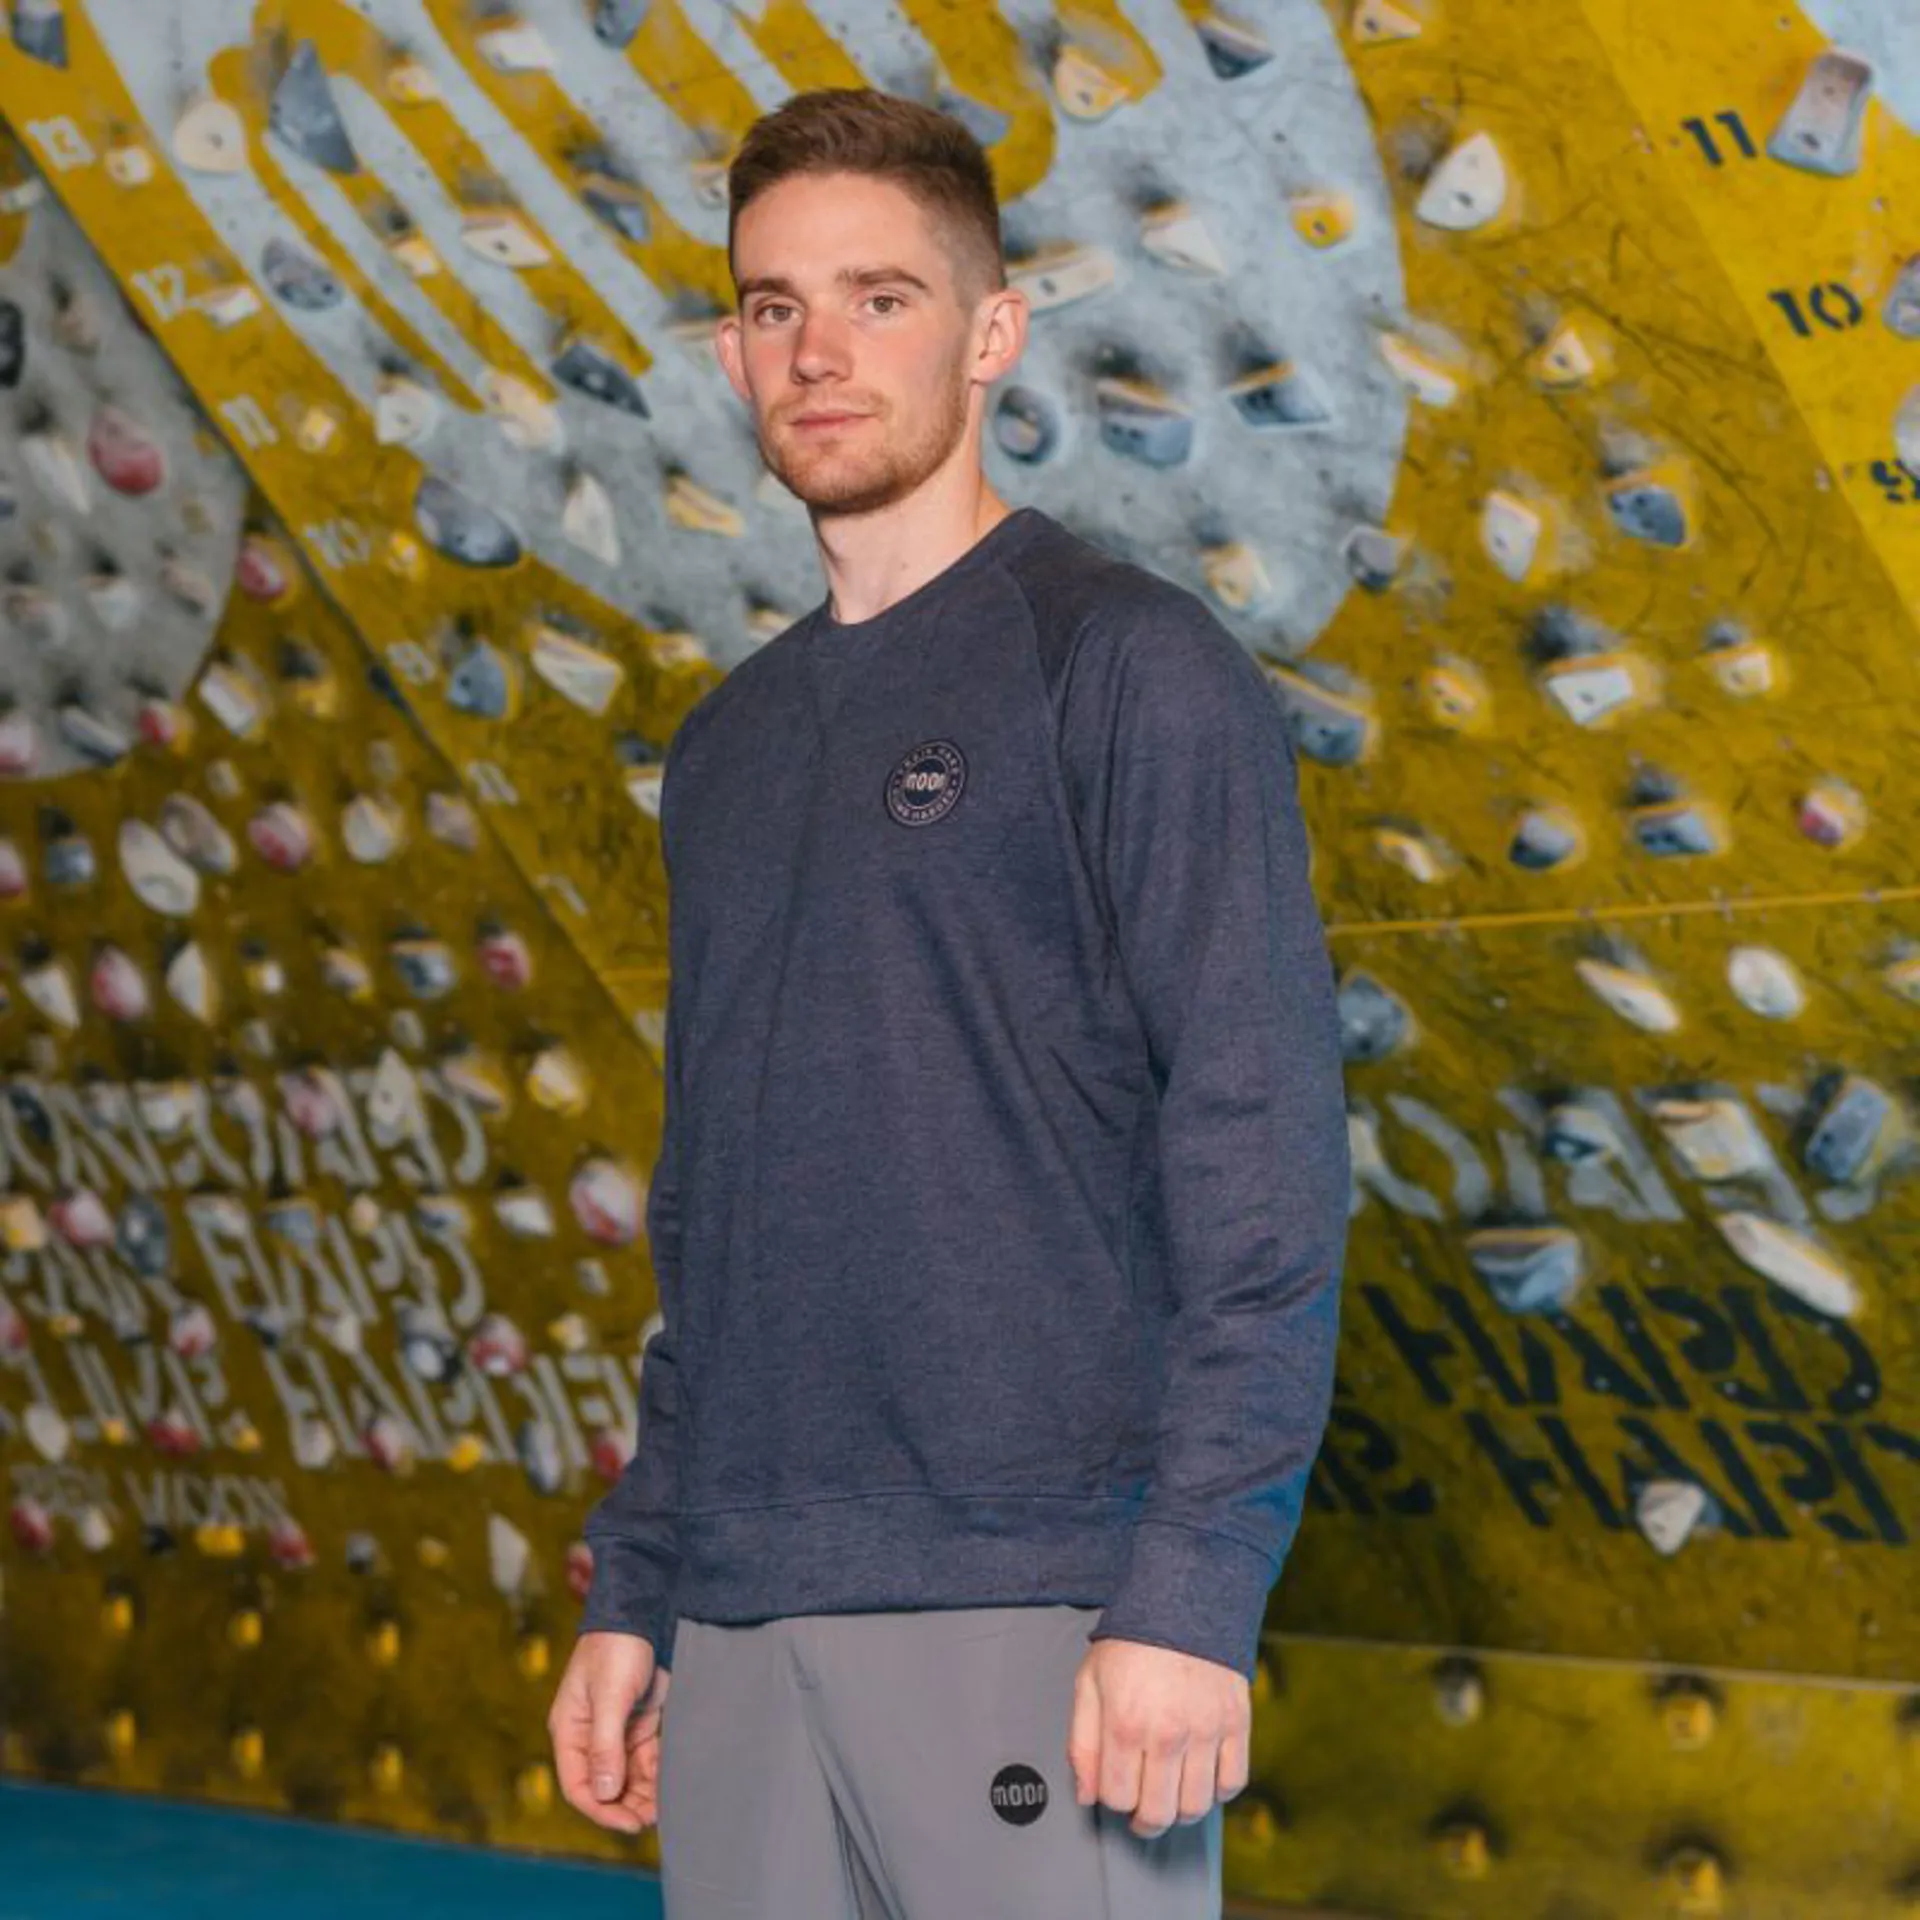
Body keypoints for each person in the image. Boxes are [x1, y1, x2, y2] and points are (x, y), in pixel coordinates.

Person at [547, 86, 1352, 1919]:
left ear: (993, 335)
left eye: (881, 298)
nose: (817, 353)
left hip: (1039, 1603)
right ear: (733, 348)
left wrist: (1194, 1589)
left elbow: (1262, 1158)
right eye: (773, 306)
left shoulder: (1127, 668)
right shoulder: (728, 751)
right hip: (740, 1615)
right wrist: (640, 1581)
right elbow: (717, 1216)